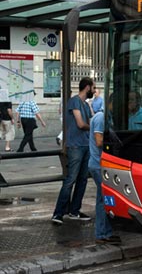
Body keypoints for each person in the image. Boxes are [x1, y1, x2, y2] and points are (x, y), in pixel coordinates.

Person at [52, 77, 95, 225]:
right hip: (76, 145)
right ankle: (58, 213)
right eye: (93, 88)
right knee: (71, 179)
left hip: (85, 145)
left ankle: (74, 210)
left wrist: (90, 109)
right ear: (88, 87)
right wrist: (93, 127)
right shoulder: (75, 101)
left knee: (82, 180)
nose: (95, 91)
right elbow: (81, 124)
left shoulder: (85, 103)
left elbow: (92, 119)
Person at [88, 104, 121, 245]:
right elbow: (99, 140)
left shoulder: (105, 116)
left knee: (102, 199)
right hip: (98, 164)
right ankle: (102, 233)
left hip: (98, 164)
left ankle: (104, 231)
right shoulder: (101, 117)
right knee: (103, 200)